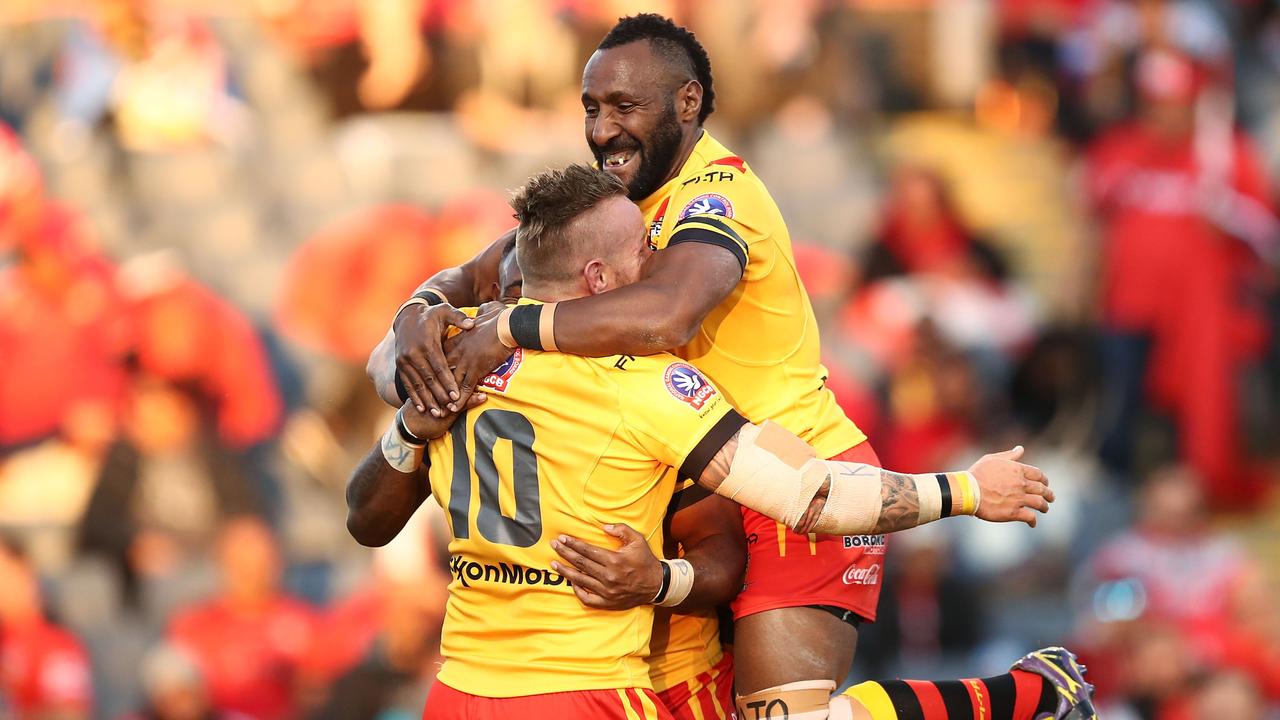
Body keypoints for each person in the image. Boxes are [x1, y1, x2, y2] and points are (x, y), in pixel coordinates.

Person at [370, 15, 1092, 720]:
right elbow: (471, 282)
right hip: (680, 468)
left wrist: (509, 328)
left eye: (625, 106)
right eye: (591, 107)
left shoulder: (719, 198)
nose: (601, 129)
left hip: (792, 469)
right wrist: (414, 321)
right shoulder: (607, 209)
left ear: (686, 103)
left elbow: (668, 315)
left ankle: (1031, 694)